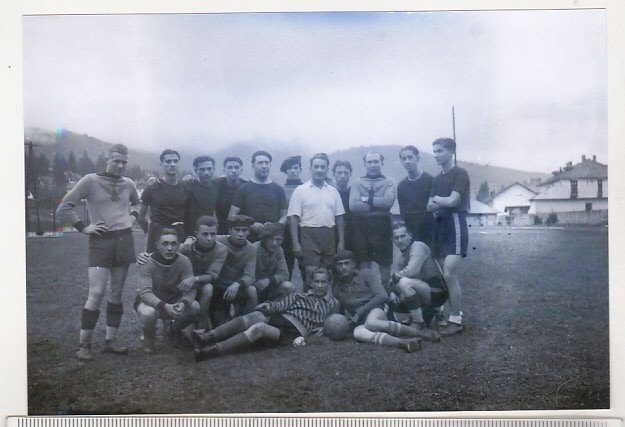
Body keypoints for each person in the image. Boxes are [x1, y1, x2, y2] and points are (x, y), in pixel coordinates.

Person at [56, 143, 140, 360]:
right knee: (96, 292)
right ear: (108, 160)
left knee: (116, 293)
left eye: (124, 162)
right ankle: (85, 345)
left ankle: (111, 341)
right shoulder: (90, 180)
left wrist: (131, 218)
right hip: (100, 241)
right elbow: (64, 207)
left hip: (124, 239)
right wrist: (84, 227)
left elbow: (138, 206)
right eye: (116, 160)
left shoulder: (129, 183)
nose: (120, 165)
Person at [193, 267, 339, 361]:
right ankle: (207, 337)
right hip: (280, 318)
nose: (320, 286)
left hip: (292, 331)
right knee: (255, 316)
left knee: (259, 328)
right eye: (317, 282)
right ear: (311, 283)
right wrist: (269, 305)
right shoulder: (300, 295)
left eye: (324, 282)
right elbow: (280, 306)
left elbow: (334, 322)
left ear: (329, 284)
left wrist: (323, 328)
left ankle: (212, 351)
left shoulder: (333, 303)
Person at [332, 250, 436, 352]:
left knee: (371, 323)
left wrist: (359, 313)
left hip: (378, 311)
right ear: (336, 267)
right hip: (360, 320)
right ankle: (404, 343)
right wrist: (339, 324)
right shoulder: (336, 287)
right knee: (357, 333)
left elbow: (382, 296)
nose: (343, 267)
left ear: (353, 264)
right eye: (340, 264)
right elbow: (339, 308)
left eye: (347, 263)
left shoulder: (366, 273)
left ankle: (419, 333)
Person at [427, 137, 470, 336]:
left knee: (450, 274)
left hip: (455, 225)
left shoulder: (460, 173)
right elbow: (430, 206)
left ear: (451, 152)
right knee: (442, 276)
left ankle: (456, 320)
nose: (436, 155)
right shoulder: (437, 179)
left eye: (440, 151)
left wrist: (438, 200)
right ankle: (444, 315)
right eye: (434, 151)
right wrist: (439, 201)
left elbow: (453, 201)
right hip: (439, 227)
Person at [134, 228, 200, 352]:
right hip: (151, 303)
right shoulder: (147, 262)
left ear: (179, 245)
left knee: (195, 307)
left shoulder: (184, 261)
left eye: (173, 244)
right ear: (157, 245)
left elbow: (190, 290)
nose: (169, 248)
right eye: (165, 244)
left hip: (174, 301)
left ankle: (173, 330)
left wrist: (183, 303)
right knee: (148, 313)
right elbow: (145, 293)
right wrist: (164, 306)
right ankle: (149, 337)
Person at [288, 153, 345, 286]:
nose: (319, 170)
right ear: (311, 168)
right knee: (311, 274)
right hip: (309, 235)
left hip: (329, 235)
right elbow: (294, 219)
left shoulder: (333, 191)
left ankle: (325, 306)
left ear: (327, 169)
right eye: (316, 167)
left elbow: (339, 218)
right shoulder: (300, 190)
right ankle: (308, 305)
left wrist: (341, 241)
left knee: (328, 274)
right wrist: (296, 243)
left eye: (322, 167)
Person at [387, 222, 449, 335]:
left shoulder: (418, 246)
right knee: (397, 302)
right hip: (422, 289)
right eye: (396, 238)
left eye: (403, 236)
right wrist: (393, 292)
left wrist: (395, 277)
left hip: (437, 290)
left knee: (404, 282)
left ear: (410, 235)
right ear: (393, 240)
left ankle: (419, 324)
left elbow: (412, 271)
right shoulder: (400, 257)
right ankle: (432, 313)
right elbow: (392, 282)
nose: (400, 240)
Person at [348, 152, 396, 287]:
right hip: (361, 227)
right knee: (364, 267)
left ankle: (386, 300)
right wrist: (377, 206)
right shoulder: (357, 182)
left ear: (381, 163)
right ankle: (366, 300)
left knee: (385, 268)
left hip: (382, 226)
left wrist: (366, 200)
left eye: (376, 161)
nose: (373, 165)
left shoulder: (389, 182)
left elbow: (388, 202)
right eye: (370, 162)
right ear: (365, 164)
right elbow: (353, 205)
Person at [210, 215, 258, 327]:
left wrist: (237, 284)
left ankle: (247, 324)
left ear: (249, 232)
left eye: (244, 230)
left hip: (237, 289)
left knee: (252, 290)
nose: (240, 234)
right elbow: (202, 239)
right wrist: (190, 239)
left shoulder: (251, 249)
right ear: (229, 230)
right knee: (220, 326)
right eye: (237, 230)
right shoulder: (219, 240)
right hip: (218, 288)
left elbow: (250, 276)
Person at [229, 151, 288, 242]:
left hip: (272, 239)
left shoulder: (278, 189)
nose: (264, 166)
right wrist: (250, 225)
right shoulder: (244, 188)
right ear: (253, 166)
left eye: (267, 163)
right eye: (260, 163)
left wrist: (275, 226)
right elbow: (232, 215)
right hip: (249, 240)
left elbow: (285, 215)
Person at [138, 149, 189, 253]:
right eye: (168, 161)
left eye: (175, 161)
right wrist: (149, 232)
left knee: (178, 266)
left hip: (178, 233)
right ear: (161, 164)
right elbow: (141, 217)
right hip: (156, 234)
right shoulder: (152, 187)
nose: (172, 164)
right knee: (154, 265)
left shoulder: (186, 187)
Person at [397, 145, 434, 247]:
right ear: (401, 162)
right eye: (404, 159)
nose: (407, 161)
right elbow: (402, 211)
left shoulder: (431, 180)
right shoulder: (401, 186)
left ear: (417, 158)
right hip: (411, 230)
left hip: (430, 228)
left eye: (410, 157)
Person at [253, 222, 294, 302]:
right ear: (264, 239)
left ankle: (276, 311)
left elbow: (285, 274)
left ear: (282, 239)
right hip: (253, 287)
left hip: (269, 286)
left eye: (278, 239)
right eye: (271, 239)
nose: (274, 243)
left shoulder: (279, 250)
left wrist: (269, 280)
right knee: (251, 290)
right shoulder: (254, 248)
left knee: (288, 286)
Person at [280, 155, 304, 279]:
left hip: (304, 230)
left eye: (296, 168)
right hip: (286, 231)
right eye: (290, 169)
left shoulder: (307, 188)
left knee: (306, 266)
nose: (293, 171)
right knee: (286, 265)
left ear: (300, 169)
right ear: (286, 171)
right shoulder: (281, 190)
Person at [184, 156, 219, 238]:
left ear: (214, 169)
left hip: (208, 232)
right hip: (189, 232)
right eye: (202, 169)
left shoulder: (217, 184)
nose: (206, 172)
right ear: (196, 170)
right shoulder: (188, 185)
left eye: (209, 169)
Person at [215, 156, 246, 235]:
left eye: (236, 167)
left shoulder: (246, 186)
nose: (233, 171)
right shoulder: (217, 184)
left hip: (241, 229)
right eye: (230, 168)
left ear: (241, 170)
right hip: (220, 229)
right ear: (224, 170)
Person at [332, 160, 354, 252]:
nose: (343, 176)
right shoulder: (329, 192)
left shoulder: (354, 192)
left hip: (352, 232)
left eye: (346, 173)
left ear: (350, 174)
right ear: (333, 174)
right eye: (339, 173)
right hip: (332, 233)